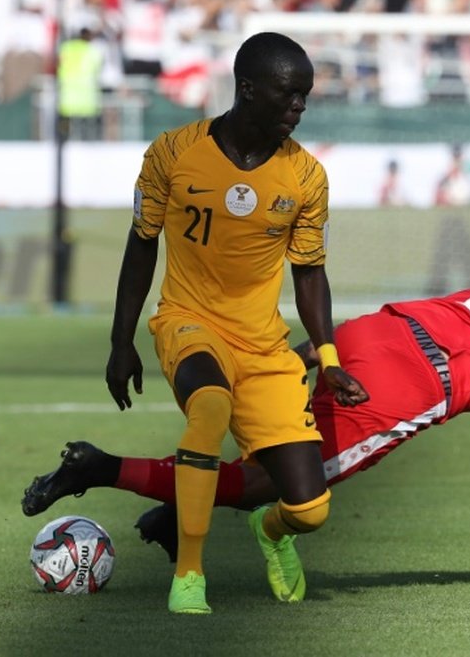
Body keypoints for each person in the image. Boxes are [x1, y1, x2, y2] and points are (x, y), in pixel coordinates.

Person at [77, 31, 368, 614]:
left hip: (263, 346)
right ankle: (189, 573)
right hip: (188, 322)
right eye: (289, 95)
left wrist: (329, 360)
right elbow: (142, 246)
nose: (299, 108)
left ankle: (273, 530)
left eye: (305, 97)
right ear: (247, 89)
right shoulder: (173, 152)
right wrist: (121, 340)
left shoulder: (307, 177)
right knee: (208, 408)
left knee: (311, 510)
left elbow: (310, 274)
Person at [24, 287, 470, 563]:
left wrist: (313, 358)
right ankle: (102, 468)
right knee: (271, 486)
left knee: (268, 442)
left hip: (367, 334)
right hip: (404, 386)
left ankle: (175, 516)